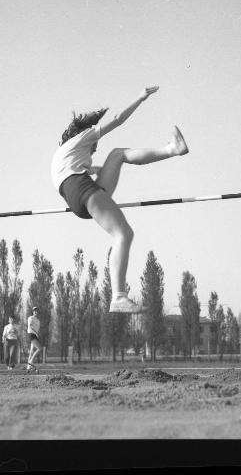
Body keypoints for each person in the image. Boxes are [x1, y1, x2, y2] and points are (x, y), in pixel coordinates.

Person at [51, 87, 189, 313]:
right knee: (123, 233)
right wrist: (141, 97)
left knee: (117, 154)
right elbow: (117, 119)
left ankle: (173, 149)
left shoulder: (63, 155)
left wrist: (97, 169)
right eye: (94, 145)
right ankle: (118, 296)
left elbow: (85, 172)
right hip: (82, 188)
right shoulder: (82, 138)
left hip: (76, 196)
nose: (95, 148)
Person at [26, 307, 42, 372]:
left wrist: (37, 334)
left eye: (37, 311)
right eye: (34, 311)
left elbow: (38, 329)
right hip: (31, 334)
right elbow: (30, 326)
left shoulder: (38, 321)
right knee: (40, 348)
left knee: (31, 351)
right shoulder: (30, 318)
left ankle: (28, 368)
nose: (36, 312)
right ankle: (31, 361)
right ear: (33, 312)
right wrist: (35, 333)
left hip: (35, 335)